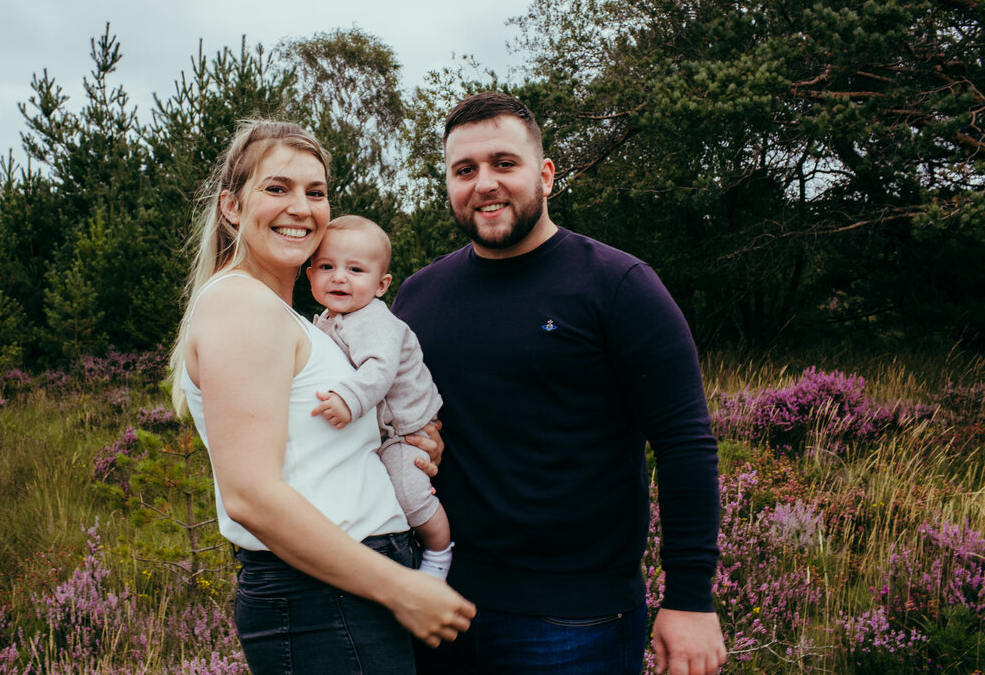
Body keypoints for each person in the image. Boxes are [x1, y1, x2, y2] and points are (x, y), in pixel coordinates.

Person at [392, 92, 727, 675]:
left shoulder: (619, 285)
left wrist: (690, 600)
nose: (484, 183)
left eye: (504, 163)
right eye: (464, 170)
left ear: (546, 174)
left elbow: (684, 444)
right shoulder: (418, 297)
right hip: (435, 605)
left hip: (576, 621)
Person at [168, 120, 475, 675]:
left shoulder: (298, 318)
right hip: (321, 593)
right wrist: (402, 587)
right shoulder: (241, 306)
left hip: (346, 583)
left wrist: (411, 438)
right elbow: (251, 496)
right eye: (277, 188)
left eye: (316, 192)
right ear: (232, 207)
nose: (301, 208)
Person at [306, 215, 454, 580]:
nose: (339, 277)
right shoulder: (327, 318)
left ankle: (439, 552)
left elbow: (379, 370)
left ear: (382, 284)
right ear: (309, 275)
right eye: (326, 267)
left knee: (410, 494)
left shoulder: (375, 321)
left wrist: (347, 399)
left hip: (406, 427)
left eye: (355, 269)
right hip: (382, 429)